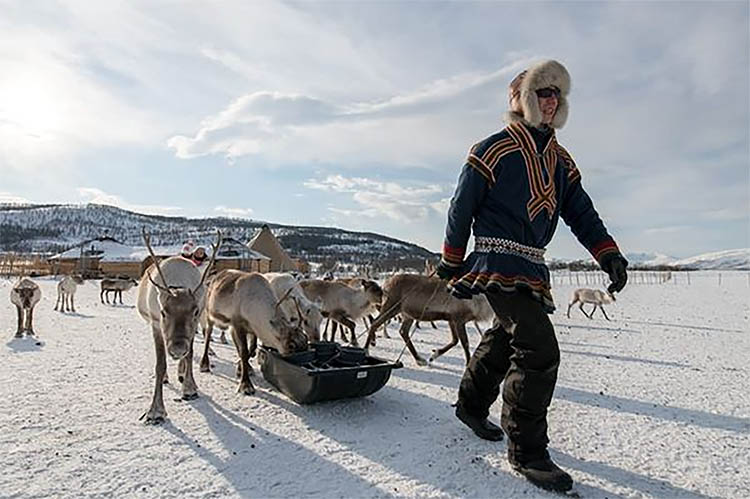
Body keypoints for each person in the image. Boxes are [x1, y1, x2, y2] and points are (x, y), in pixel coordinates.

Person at [436, 60, 628, 493]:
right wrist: (452, 257)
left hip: (532, 264)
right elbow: (461, 206)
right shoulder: (493, 149)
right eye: (542, 93)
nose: (551, 101)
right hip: (495, 258)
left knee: (505, 339)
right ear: (523, 101)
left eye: (556, 94)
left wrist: (608, 253)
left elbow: (580, 210)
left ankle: (470, 404)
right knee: (539, 350)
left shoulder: (561, 160)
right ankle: (528, 452)